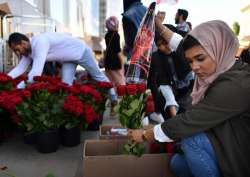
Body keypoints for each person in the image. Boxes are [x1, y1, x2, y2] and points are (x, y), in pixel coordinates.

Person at [129, 20, 250, 177]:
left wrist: (146, 135)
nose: (194, 67)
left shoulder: (235, 84)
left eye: (200, 59)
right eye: (190, 61)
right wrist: (158, 26)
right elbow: (184, 47)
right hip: (225, 141)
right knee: (177, 164)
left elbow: (190, 120)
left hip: (239, 155)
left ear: (220, 49)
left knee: (192, 139)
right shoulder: (224, 65)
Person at [7, 32, 117, 101]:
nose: (18, 53)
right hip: (68, 59)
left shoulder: (40, 42)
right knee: (66, 86)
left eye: (17, 49)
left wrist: (16, 88)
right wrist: (4, 80)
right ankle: (72, 111)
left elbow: (36, 73)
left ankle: (113, 98)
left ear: (23, 43)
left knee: (98, 76)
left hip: (81, 51)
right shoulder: (28, 51)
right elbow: (20, 68)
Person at [147, 24, 193, 120]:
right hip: (169, 98)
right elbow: (164, 84)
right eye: (159, 45)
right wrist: (174, 115)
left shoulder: (185, 53)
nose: (162, 48)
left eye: (165, 43)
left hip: (188, 95)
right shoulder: (157, 58)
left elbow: (191, 77)